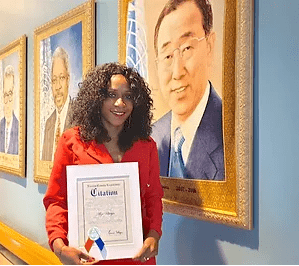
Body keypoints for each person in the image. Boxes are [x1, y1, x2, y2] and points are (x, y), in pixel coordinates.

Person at [43, 62, 163, 265]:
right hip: (88, 257)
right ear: (96, 98)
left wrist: (154, 235)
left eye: (128, 96)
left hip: (135, 256)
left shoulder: (146, 146)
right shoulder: (72, 141)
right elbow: (56, 200)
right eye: (111, 95)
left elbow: (153, 197)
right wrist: (59, 246)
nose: (120, 103)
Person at [151, 0, 224, 180]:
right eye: (167, 56)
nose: (177, 72)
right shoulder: (151, 136)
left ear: (209, 46)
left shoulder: (233, 136)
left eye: (187, 48)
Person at [42, 46, 72, 161]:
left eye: (62, 78)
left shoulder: (79, 118)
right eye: (54, 80)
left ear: (68, 80)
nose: (58, 86)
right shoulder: (48, 123)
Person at [0, 65, 19, 155]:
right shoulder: (0, 125)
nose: (7, 100)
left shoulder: (19, 127)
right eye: (5, 94)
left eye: (10, 94)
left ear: (14, 95)